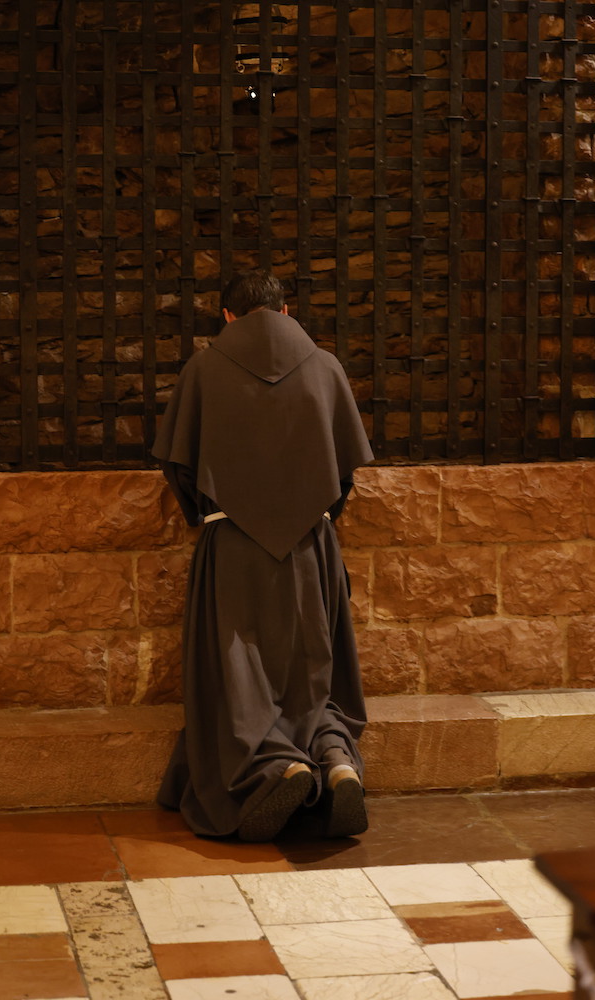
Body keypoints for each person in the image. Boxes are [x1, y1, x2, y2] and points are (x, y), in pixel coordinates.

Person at [153, 270, 374, 841]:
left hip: (232, 547)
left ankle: (277, 767)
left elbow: (178, 465)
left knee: (237, 671)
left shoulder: (203, 369)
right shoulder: (325, 367)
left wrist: (207, 512)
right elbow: (345, 470)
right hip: (311, 545)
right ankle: (334, 758)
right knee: (313, 665)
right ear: (284, 310)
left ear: (227, 315)